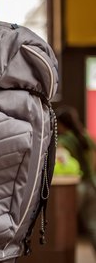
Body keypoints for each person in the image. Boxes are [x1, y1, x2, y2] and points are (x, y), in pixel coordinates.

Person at [56, 105, 96, 252]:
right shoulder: (85, 136)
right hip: (91, 184)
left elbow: (61, 163)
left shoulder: (64, 140)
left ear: (62, 123)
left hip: (75, 187)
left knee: (67, 226)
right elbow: (93, 160)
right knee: (93, 225)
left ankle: (66, 256)